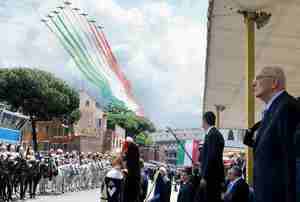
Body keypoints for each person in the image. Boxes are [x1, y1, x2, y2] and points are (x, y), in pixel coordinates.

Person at [244, 66, 300, 202]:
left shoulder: (287, 107)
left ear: (274, 83)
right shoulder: (274, 110)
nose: (253, 83)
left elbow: (290, 160)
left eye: (258, 78)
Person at [200, 111, 225, 202]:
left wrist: (205, 176)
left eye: (202, 121)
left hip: (212, 178)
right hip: (214, 177)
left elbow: (211, 157)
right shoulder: (215, 134)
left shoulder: (212, 135)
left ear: (205, 121)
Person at [122, 137, 141, 202]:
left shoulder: (134, 148)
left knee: (131, 195)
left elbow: (130, 161)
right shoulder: (132, 148)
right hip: (132, 174)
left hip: (133, 175)